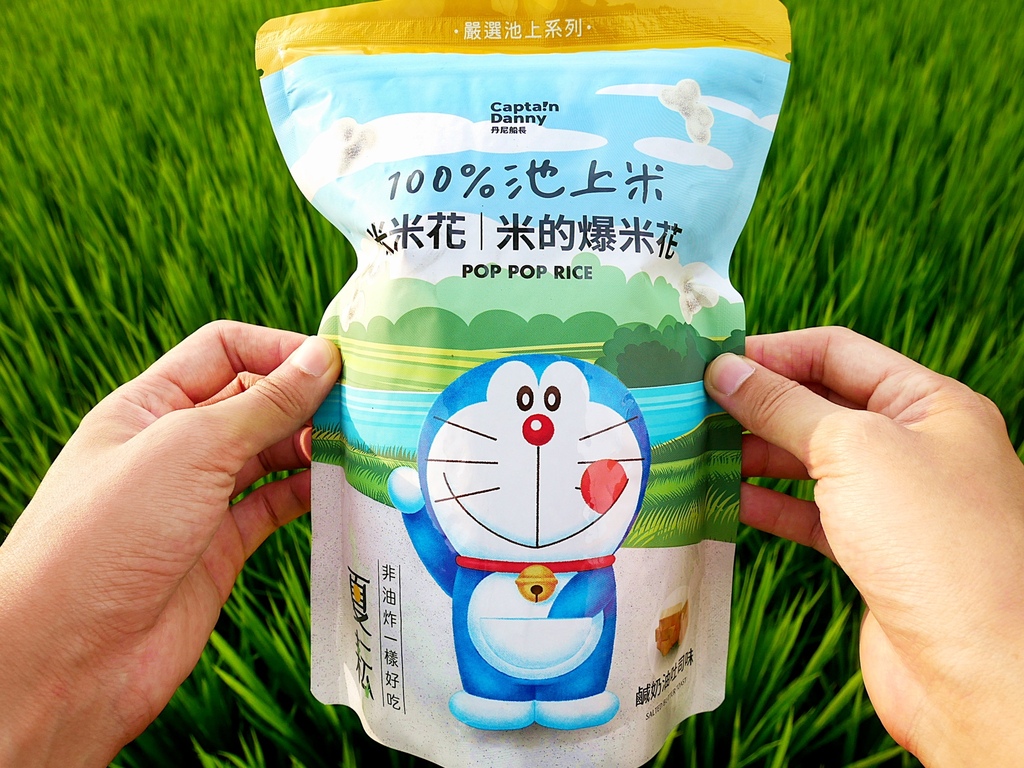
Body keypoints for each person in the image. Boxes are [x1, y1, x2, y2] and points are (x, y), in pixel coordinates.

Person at [0, 322, 1021, 766]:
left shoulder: (604, 549)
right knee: (496, 638)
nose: (534, 435)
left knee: (584, 641)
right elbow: (441, 560)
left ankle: (564, 694)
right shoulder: (477, 544)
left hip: (584, 633)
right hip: (488, 636)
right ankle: (501, 693)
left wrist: (986, 663)